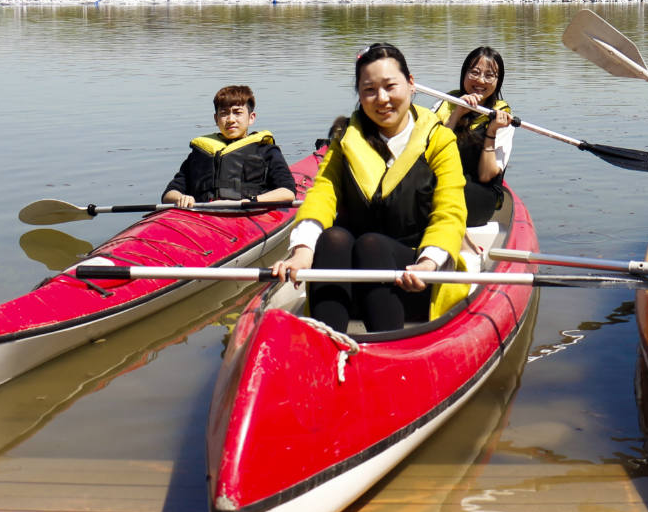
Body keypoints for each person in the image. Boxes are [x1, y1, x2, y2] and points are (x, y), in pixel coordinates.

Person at [269, 44, 467, 332]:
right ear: (359, 94)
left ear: (411, 84)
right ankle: (327, 343)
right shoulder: (346, 138)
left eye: (390, 86)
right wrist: (301, 250)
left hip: (416, 276)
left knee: (371, 244)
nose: (382, 99)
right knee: (333, 238)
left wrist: (428, 263)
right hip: (353, 282)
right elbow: (322, 193)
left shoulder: (439, 140)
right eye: (370, 90)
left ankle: (388, 346)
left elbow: (450, 212)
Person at [162, 85, 297, 210]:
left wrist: (251, 201)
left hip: (246, 214)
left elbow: (287, 192)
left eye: (237, 112)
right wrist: (181, 198)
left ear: (251, 118)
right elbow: (169, 194)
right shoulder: (199, 154)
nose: (231, 119)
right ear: (216, 119)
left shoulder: (266, 151)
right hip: (200, 215)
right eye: (224, 113)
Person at [435, 46, 514, 227]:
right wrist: (457, 114)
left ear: (498, 81)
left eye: (489, 75)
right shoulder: (445, 104)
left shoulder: (503, 119)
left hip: (479, 194)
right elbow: (429, 155)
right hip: (442, 183)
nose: (480, 80)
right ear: (464, 74)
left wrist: (491, 131)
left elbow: (486, 175)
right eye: (475, 72)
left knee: (440, 190)